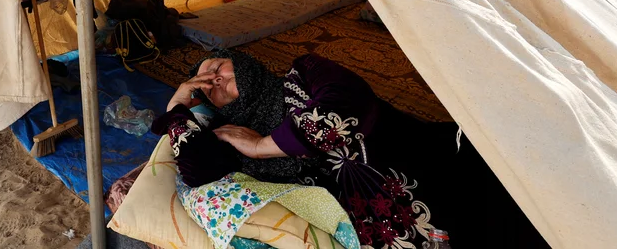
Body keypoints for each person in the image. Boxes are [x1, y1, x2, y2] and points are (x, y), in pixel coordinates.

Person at [152, 50, 549, 249]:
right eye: (204, 80)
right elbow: (200, 172)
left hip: (431, 163)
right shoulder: (231, 135)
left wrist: (261, 147)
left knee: (532, 213)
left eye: (219, 65)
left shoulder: (305, 73)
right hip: (388, 224)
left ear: (244, 62)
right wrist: (177, 106)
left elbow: (341, 111)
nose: (213, 77)